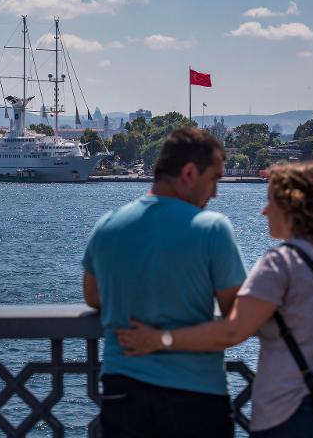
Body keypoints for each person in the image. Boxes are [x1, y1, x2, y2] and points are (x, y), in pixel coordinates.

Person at [117, 162, 313, 437]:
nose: (264, 210)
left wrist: (161, 339)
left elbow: (233, 330)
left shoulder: (281, 263)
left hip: (289, 412)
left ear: (291, 206)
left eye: (270, 200)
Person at [82, 127, 247, 437]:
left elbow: (92, 296)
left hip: (122, 392)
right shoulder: (212, 229)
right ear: (188, 173)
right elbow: (234, 323)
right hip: (195, 397)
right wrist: (166, 337)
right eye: (214, 180)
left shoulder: (107, 225)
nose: (215, 193)